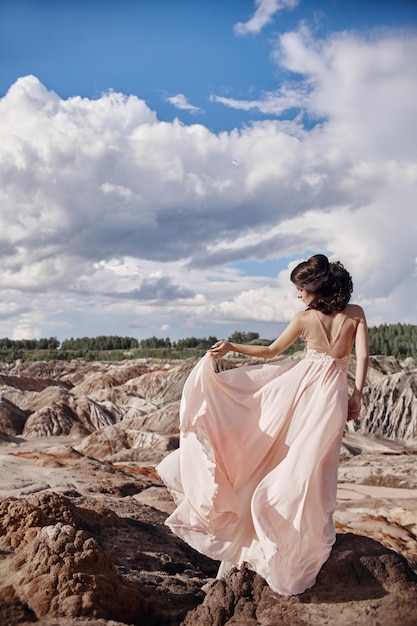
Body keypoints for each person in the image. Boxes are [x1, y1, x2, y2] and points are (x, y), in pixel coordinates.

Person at [157, 254, 369, 596]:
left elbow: (270, 351)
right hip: (329, 396)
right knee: (314, 466)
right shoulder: (355, 314)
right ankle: (294, 532)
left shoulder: (305, 319)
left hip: (304, 392)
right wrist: (356, 394)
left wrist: (230, 347)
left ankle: (277, 527)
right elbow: (362, 357)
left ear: (315, 288)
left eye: (300, 288)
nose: (297, 294)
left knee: (288, 458)